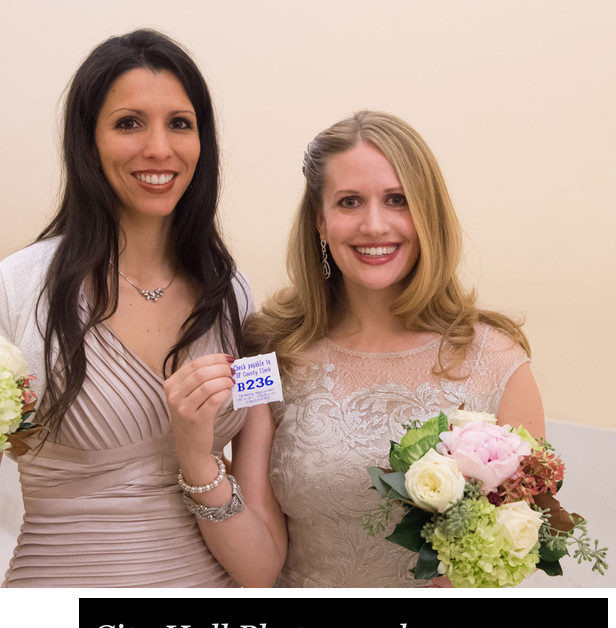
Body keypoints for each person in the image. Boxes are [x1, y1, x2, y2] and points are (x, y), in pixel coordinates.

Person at [0, 29, 252, 587]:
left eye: (180, 123)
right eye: (129, 122)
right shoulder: (15, 290)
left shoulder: (233, 296)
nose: (159, 148)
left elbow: (260, 494)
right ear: (88, 140)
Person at [164, 110, 544, 587]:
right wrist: (197, 459)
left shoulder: (499, 363)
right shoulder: (269, 350)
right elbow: (258, 569)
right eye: (349, 202)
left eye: (396, 200)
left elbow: (508, 557)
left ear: (429, 212)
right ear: (321, 223)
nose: (373, 224)